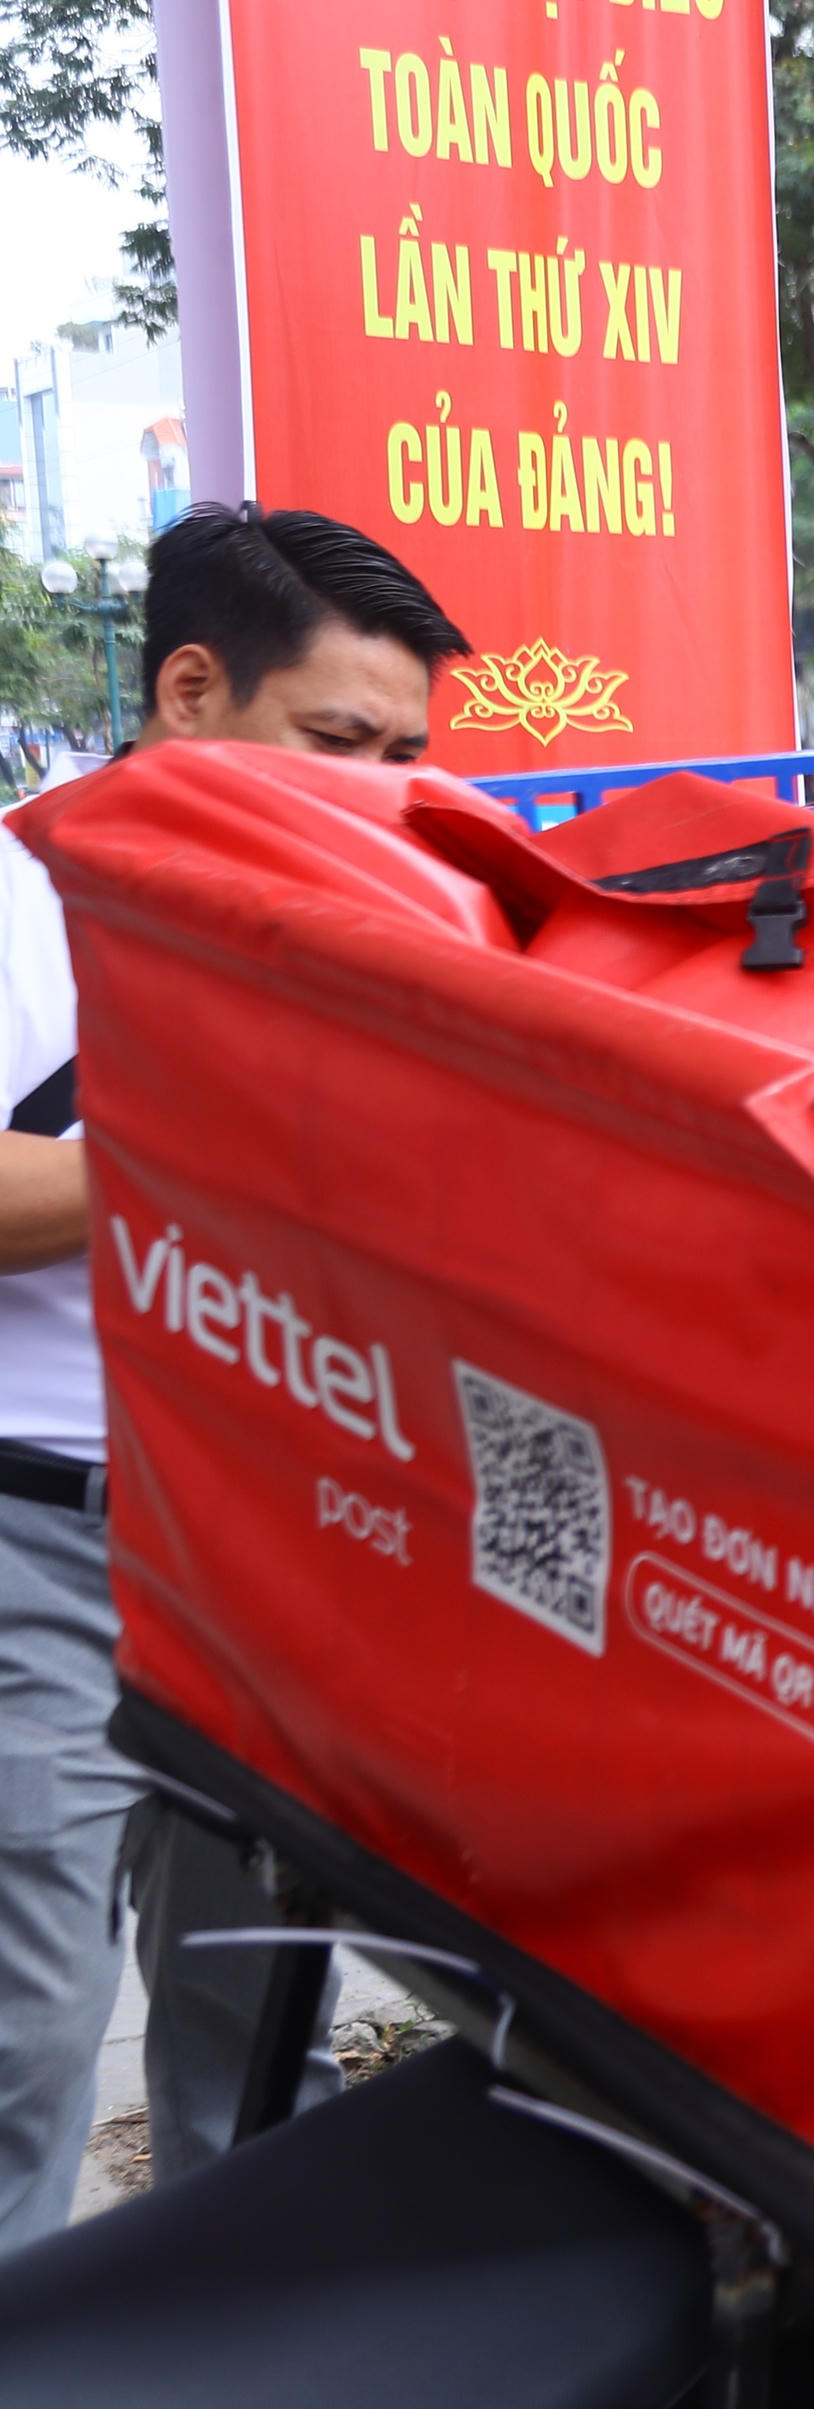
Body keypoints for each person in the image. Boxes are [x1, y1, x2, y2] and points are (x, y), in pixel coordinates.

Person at [0, 503, 465, 2249]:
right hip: (38, 1544)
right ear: (192, 690)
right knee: (26, 2049)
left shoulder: (381, 918)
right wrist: (230, 1144)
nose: (378, 791)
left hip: (264, 1551)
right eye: (335, 742)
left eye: (406, 754)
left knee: (257, 2041)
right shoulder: (20, 902)